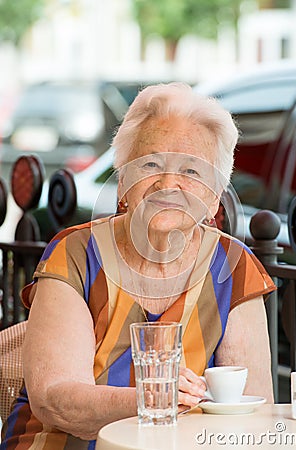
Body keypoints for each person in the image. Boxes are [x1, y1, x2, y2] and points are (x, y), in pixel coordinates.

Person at [1, 83, 275, 449]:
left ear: (213, 199)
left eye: (192, 171)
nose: (168, 184)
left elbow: (253, 409)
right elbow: (55, 400)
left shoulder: (235, 267)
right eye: (150, 164)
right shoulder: (75, 254)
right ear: (123, 185)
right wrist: (149, 398)